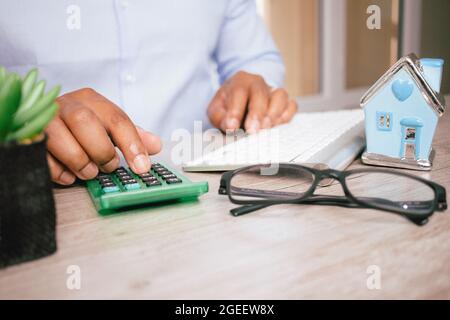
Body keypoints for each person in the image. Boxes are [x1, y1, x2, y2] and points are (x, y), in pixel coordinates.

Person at [0, 0, 297, 185]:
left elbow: (255, 59)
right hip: (50, 196)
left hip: (213, 187)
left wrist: (250, 88)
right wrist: (22, 124)